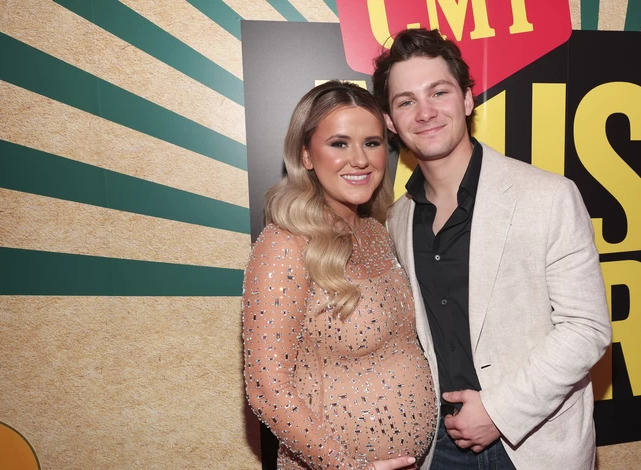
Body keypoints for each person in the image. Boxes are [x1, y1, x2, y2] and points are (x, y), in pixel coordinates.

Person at [372, 29, 613, 470]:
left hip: (535, 444)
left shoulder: (548, 196)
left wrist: (499, 411)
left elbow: (586, 328)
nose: (425, 112)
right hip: (438, 447)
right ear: (390, 121)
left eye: (439, 92)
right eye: (406, 101)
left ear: (467, 99)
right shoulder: (396, 219)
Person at [242, 81, 436, 470]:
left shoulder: (378, 230)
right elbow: (266, 390)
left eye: (371, 143)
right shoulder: (284, 244)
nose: (359, 160)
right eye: (339, 144)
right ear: (306, 155)